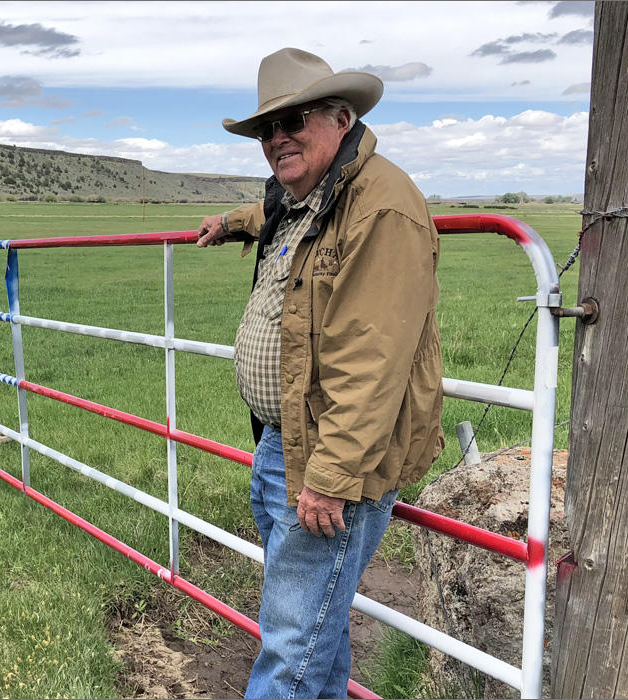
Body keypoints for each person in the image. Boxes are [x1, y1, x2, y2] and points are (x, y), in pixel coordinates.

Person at [196, 47, 445, 699]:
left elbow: (372, 365)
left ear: (341, 116)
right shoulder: (307, 197)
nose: (278, 138)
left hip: (329, 460)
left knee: (288, 652)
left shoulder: (381, 207)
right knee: (315, 640)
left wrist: (330, 480)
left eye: (294, 120)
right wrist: (232, 223)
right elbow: (279, 217)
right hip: (287, 443)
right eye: (267, 129)